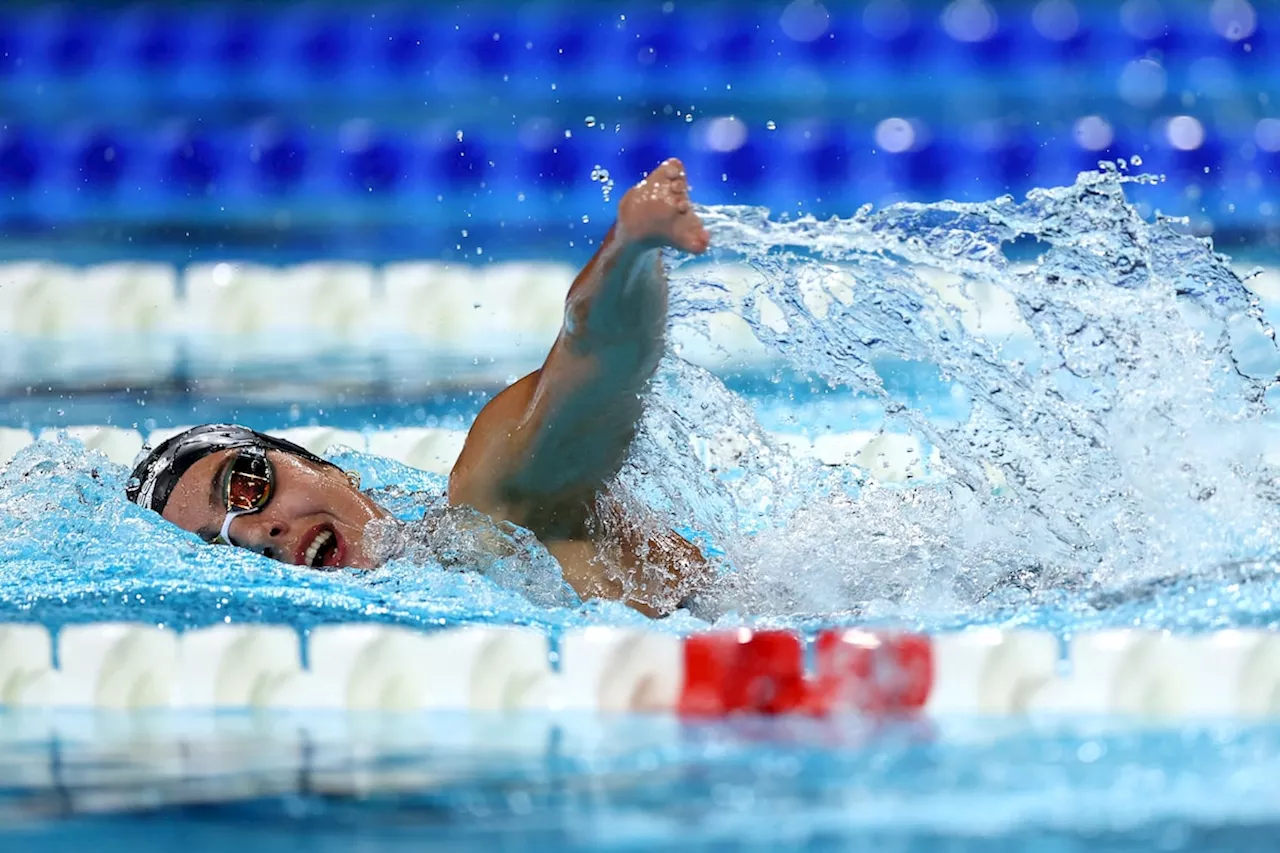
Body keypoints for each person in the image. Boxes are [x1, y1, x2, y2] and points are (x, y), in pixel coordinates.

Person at [127, 159, 712, 617]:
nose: (259, 533)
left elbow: (597, 363)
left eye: (248, 485)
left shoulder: (495, 517)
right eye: (219, 549)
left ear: (324, 466)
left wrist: (630, 249)